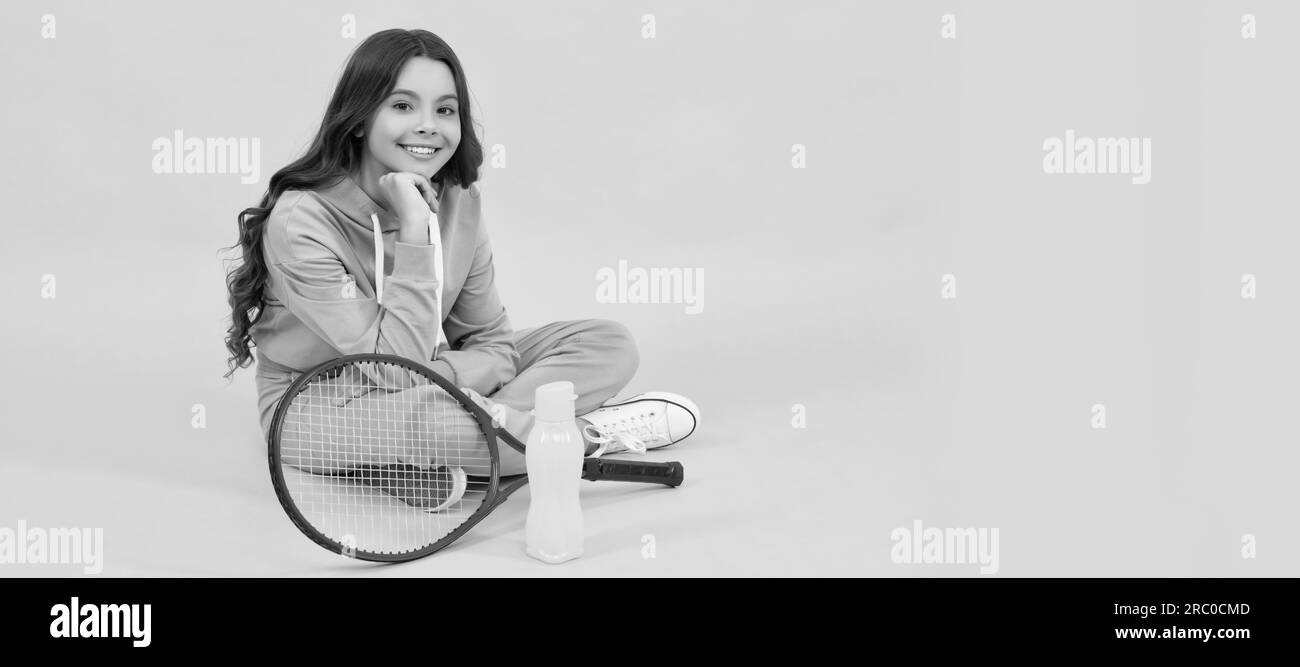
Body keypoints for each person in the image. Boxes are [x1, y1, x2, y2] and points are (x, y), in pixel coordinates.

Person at [221, 29, 699, 507]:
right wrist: (412, 228)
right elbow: (392, 370)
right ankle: (586, 435)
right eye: (403, 106)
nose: (429, 125)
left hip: (425, 379)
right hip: (316, 402)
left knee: (607, 342)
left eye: (445, 110)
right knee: (436, 422)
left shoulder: (458, 199)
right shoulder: (301, 220)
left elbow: (491, 341)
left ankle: (470, 448)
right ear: (361, 118)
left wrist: (446, 382)